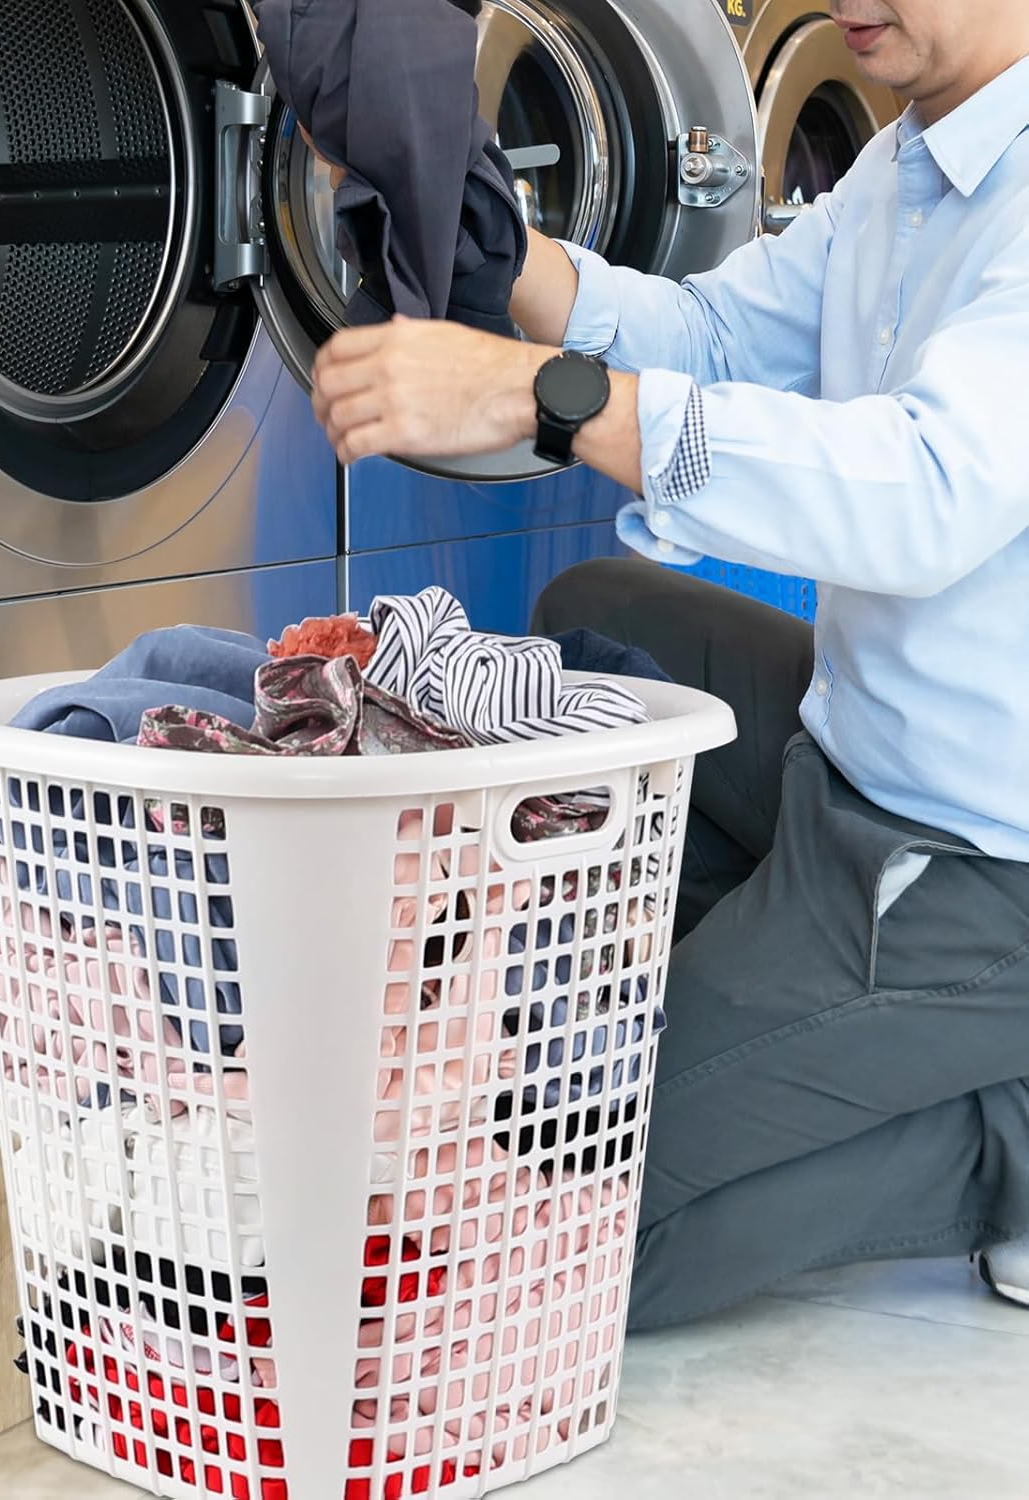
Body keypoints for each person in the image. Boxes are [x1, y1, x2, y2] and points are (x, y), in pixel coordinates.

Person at [312, 2, 1029, 1326]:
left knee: (566, 1233)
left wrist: (542, 393)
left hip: (987, 861)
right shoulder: (908, 160)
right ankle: (822, 1010)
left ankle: (1006, 1141)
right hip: (858, 758)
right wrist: (496, 241)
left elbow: (926, 491)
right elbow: (713, 336)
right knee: (603, 617)